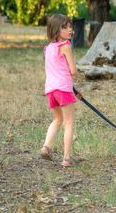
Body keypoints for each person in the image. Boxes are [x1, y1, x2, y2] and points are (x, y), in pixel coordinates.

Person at [40, 14, 77, 167]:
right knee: (68, 122)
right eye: (65, 27)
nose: (69, 29)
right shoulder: (65, 46)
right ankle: (66, 158)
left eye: (70, 26)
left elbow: (56, 70)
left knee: (58, 120)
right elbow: (72, 71)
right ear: (56, 30)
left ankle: (46, 147)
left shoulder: (47, 48)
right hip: (63, 89)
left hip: (51, 90)